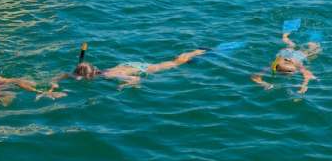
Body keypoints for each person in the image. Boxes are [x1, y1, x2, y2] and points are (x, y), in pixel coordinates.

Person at [37, 47, 207, 99]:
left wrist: (123, 86)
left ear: (88, 76)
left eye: (81, 77)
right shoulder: (84, 73)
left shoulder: (107, 76)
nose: (78, 78)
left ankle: (197, 52)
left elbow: (135, 79)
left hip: (139, 69)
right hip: (124, 65)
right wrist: (54, 83)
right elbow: (64, 74)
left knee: (175, 63)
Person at [250, 31, 321, 94]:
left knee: (311, 51)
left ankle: (286, 37)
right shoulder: (274, 66)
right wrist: (304, 84)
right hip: (286, 52)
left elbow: (255, 76)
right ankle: (285, 37)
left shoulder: (295, 64)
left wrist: (304, 85)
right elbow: (255, 76)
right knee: (292, 46)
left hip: (293, 54)